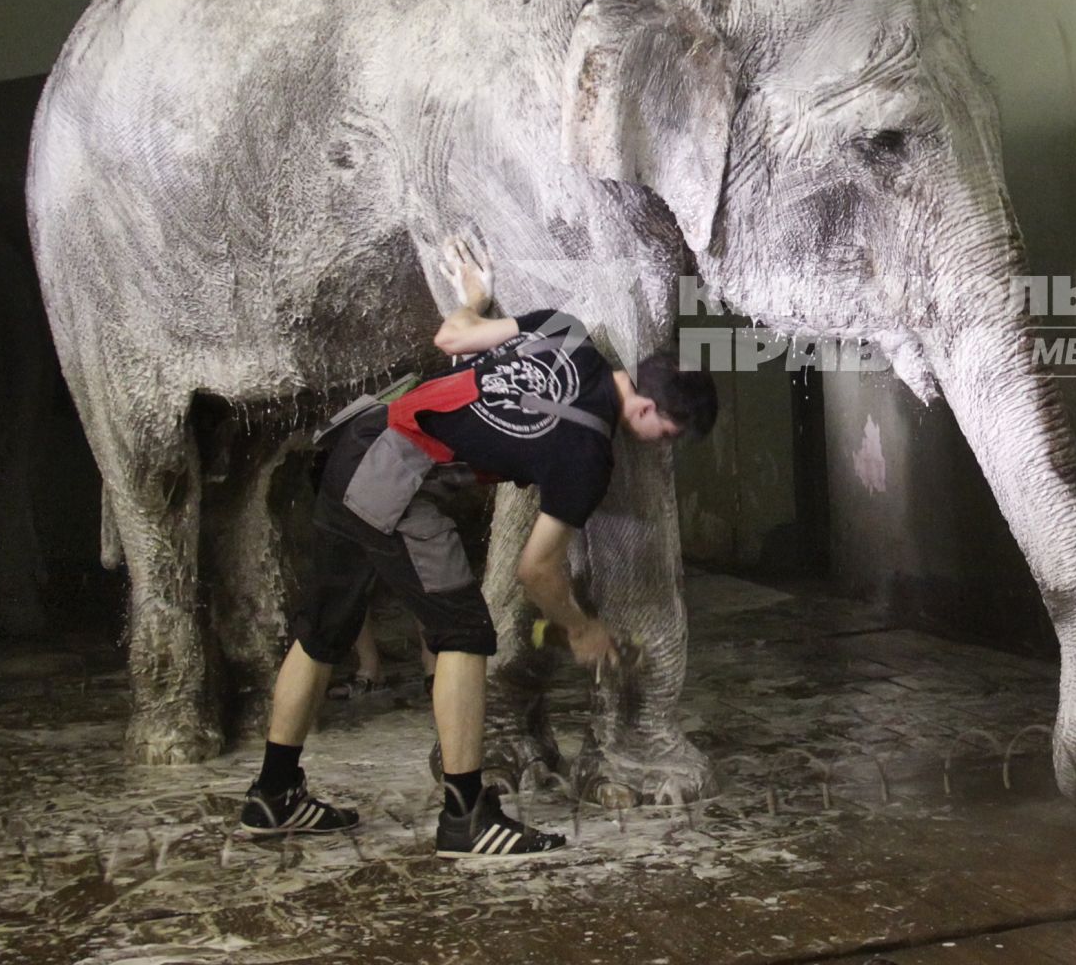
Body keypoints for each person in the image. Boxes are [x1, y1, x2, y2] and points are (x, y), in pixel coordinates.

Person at [239, 237, 718, 860]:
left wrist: (475, 299)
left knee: (323, 631)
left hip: (356, 443)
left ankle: (273, 793)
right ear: (649, 406)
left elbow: (453, 339)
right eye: (668, 435)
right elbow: (536, 570)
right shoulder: (588, 455)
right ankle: (467, 817)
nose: (661, 447)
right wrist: (580, 627)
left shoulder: (565, 330)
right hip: (396, 480)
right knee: (463, 633)